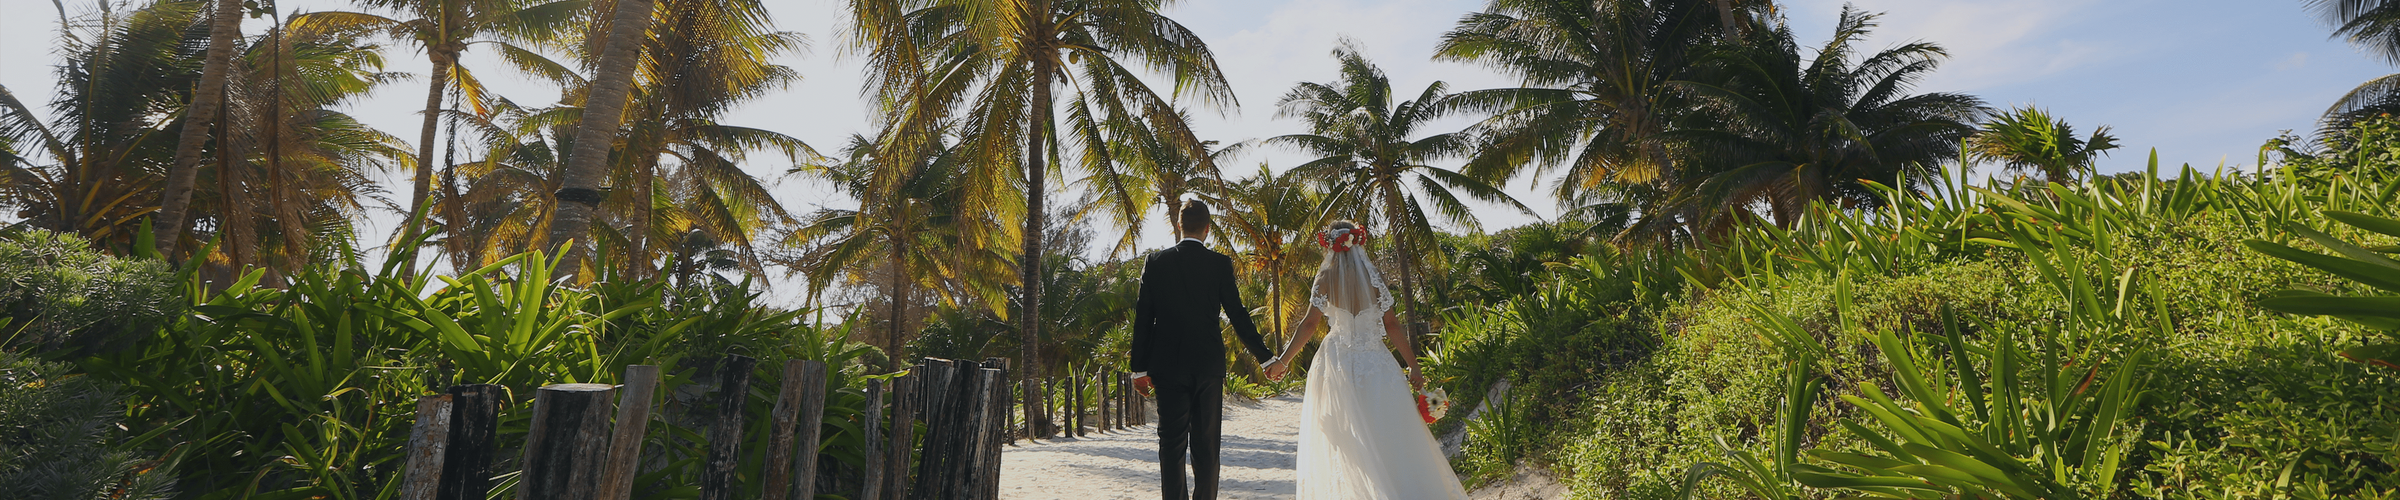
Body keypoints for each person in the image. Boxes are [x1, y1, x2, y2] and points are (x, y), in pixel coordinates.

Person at [1262, 221, 1471, 499]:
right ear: (1358, 244)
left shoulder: (1326, 278)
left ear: (1331, 247)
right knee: (1387, 432)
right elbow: (1393, 325)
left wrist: (1284, 361)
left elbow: (1309, 324)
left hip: (1337, 362)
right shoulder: (1375, 279)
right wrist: (1413, 365)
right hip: (1375, 362)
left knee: (1345, 438)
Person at [1129, 199, 1278, 500]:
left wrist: (1139, 369)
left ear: (1178, 226)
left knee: (1170, 445)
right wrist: (1266, 358)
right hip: (1208, 366)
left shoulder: (1155, 263)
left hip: (1167, 366)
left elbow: (1143, 318)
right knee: (1207, 445)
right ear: (1208, 229)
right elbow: (1237, 315)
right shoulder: (1219, 264)